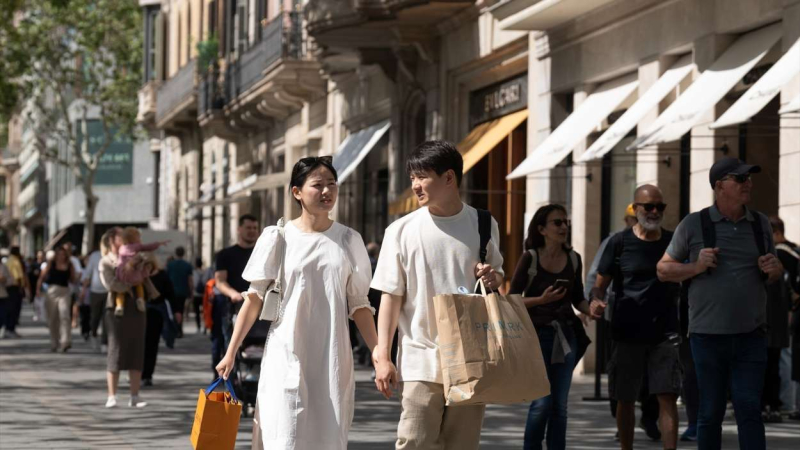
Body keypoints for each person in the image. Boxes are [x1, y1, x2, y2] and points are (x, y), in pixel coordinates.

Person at [215, 155, 379, 450]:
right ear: (297, 192)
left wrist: (379, 354)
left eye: (332, 184)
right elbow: (253, 299)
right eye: (318, 185)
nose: (327, 191)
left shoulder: (348, 240)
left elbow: (359, 304)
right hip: (286, 352)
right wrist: (231, 352)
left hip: (332, 357)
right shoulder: (277, 238)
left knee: (327, 438)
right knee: (285, 435)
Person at [371, 140, 504, 450]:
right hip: (420, 358)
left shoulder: (483, 224)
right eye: (413, 178)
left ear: (448, 178)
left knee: (462, 445)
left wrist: (494, 277)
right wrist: (383, 357)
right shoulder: (400, 231)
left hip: (471, 358)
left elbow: (497, 279)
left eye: (423, 177)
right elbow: (390, 297)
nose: (415, 186)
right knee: (414, 442)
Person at [657, 157, 784, 450]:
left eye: (749, 178)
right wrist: (695, 267)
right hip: (707, 337)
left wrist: (774, 270)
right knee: (710, 412)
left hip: (751, 335)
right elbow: (663, 270)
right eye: (740, 179)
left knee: (750, 410)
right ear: (719, 186)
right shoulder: (693, 224)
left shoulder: (760, 224)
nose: (747, 184)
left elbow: (772, 272)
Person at [590, 185, 681, 450]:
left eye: (659, 207)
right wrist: (597, 300)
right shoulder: (619, 242)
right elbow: (600, 283)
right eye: (648, 207)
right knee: (625, 398)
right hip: (627, 330)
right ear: (636, 208)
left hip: (665, 331)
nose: (654, 212)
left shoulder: (673, 242)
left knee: (667, 396)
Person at [509, 203, 595, 450]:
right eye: (557, 222)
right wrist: (540, 300)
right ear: (542, 229)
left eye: (565, 222)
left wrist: (592, 309)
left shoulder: (573, 259)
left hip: (566, 336)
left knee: (559, 405)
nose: (564, 227)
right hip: (535, 337)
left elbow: (577, 297)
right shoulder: (531, 257)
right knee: (541, 403)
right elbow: (511, 299)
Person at [99, 227, 148, 409]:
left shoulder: (137, 255)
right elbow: (111, 284)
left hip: (137, 306)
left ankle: (134, 395)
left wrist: (141, 267)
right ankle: (112, 395)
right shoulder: (106, 261)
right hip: (116, 309)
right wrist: (131, 279)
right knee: (116, 349)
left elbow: (147, 274)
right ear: (113, 240)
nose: (128, 240)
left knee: (137, 349)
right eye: (122, 237)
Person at [211, 214, 259, 373]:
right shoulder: (225, 254)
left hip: (260, 310)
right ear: (239, 229)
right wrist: (234, 294)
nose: (252, 231)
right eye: (248, 228)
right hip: (232, 309)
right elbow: (220, 281)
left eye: (254, 228)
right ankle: (228, 384)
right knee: (229, 346)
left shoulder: (262, 252)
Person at [113, 227, 165, 317]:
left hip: (123, 273)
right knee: (139, 285)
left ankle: (119, 306)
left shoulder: (121, 248)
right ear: (135, 238)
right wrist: (158, 244)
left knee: (120, 292)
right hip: (134, 274)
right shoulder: (137, 246)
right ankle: (140, 299)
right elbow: (149, 247)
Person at [36, 247, 77, 352]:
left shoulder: (69, 265)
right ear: (56, 255)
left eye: (63, 254)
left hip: (65, 291)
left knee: (65, 316)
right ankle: (54, 342)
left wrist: (77, 279)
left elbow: (73, 279)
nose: (61, 256)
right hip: (52, 291)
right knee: (53, 318)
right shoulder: (51, 264)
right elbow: (41, 277)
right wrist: (38, 290)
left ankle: (65, 342)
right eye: (59, 254)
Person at [142, 253, 174, 387]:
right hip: (140, 312)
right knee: (139, 345)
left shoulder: (162, 275)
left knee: (152, 345)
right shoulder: (138, 276)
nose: (146, 268)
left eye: (148, 265)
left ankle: (147, 374)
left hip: (156, 312)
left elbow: (170, 294)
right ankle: (137, 372)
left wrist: (177, 311)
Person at [81, 246, 108, 352]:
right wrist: (83, 290)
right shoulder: (95, 255)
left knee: (107, 317)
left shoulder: (114, 255)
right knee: (95, 316)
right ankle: (94, 334)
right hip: (95, 291)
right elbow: (88, 273)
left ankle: (104, 341)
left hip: (109, 291)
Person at [166, 246, 193, 338]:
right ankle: (179, 329)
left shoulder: (170, 265)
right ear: (183, 253)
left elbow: (166, 279)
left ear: (175, 253)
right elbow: (190, 280)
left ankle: (174, 329)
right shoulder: (187, 265)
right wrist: (191, 291)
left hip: (171, 291)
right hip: (183, 291)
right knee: (180, 310)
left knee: (173, 310)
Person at [3, 246, 29, 338]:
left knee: (10, 309)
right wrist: (21, 288)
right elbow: (17, 276)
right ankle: (10, 329)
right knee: (13, 309)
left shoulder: (9, 260)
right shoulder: (15, 261)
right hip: (14, 288)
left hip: (9, 287)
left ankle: (9, 328)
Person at [191, 257, 210, 334]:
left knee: (197, 312)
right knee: (205, 311)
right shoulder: (205, 272)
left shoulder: (193, 272)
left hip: (196, 294)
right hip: (204, 294)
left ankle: (198, 327)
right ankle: (205, 327)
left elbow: (193, 283)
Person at [27, 253, 43, 322]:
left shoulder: (47, 264)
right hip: (34, 284)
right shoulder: (33, 265)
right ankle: (37, 313)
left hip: (44, 285)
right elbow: (29, 274)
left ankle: (42, 314)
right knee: (36, 300)